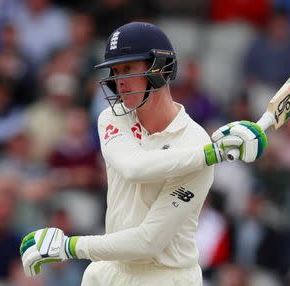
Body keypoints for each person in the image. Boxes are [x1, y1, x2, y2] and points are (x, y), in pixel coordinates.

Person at [19, 22, 268, 285]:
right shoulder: (113, 119)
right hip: (111, 271)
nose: (119, 81)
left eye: (128, 68)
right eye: (115, 71)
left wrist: (70, 246)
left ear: (159, 68)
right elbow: (133, 167)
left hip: (166, 277)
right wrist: (210, 154)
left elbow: (147, 242)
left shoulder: (193, 142)